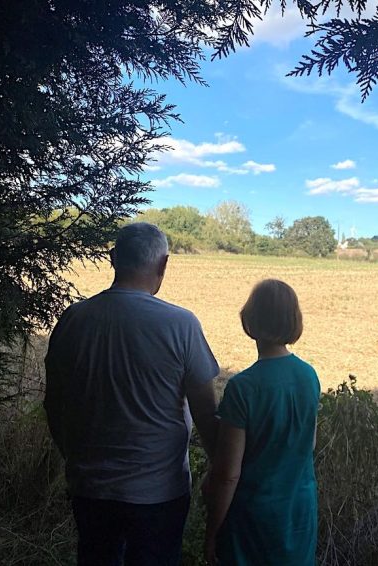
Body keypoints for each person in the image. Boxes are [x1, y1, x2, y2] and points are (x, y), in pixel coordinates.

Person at [44, 222, 219, 566]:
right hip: (160, 494)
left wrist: (74, 457)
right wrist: (222, 474)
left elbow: (53, 403)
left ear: (112, 259)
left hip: (90, 488)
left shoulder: (74, 319)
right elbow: (206, 414)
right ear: (164, 264)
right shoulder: (181, 324)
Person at [204, 279, 320, 566]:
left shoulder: (243, 388)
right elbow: (310, 443)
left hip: (253, 522)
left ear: (251, 319)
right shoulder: (309, 376)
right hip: (299, 514)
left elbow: (227, 474)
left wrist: (211, 532)